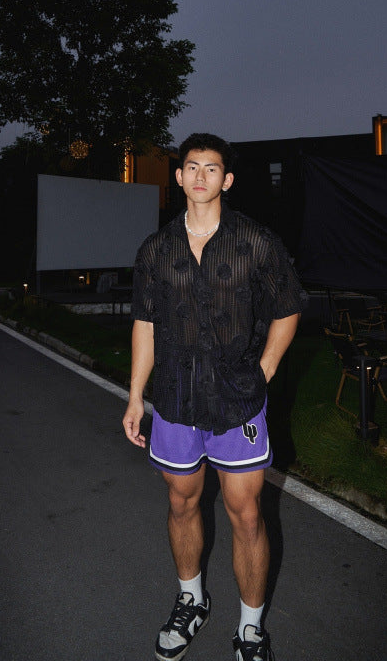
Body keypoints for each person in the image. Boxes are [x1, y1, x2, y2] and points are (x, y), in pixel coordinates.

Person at [123, 133, 306, 661]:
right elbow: (145, 325)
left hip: (237, 401)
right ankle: (191, 600)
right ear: (178, 176)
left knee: (245, 513)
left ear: (226, 180)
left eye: (211, 168)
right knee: (181, 503)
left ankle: (250, 628)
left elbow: (289, 306)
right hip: (175, 399)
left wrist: (264, 369)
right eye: (191, 166)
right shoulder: (156, 250)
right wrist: (135, 397)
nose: (200, 175)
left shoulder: (256, 242)